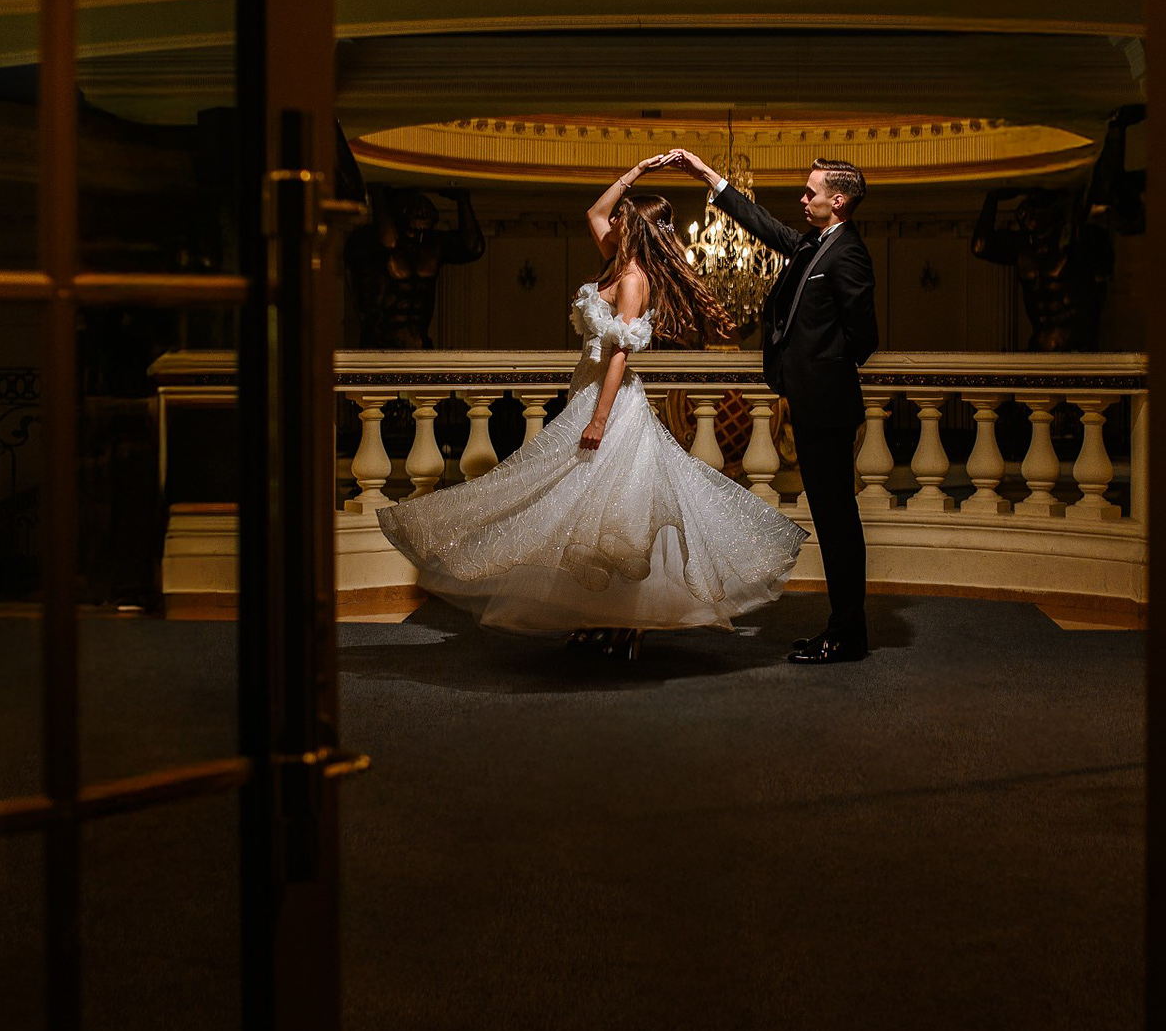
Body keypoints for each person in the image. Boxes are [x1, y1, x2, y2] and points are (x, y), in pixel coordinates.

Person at [376, 154, 807, 660]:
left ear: (635, 227)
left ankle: (623, 622)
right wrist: (635, 172)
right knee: (585, 514)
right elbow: (593, 213)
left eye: (623, 216)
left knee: (611, 517)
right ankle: (600, 616)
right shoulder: (614, 260)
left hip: (612, 403)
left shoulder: (633, 279)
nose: (614, 219)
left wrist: (600, 419)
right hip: (585, 392)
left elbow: (620, 355)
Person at [666, 148, 879, 664]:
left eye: (811, 192)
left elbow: (864, 337)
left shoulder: (848, 252)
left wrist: (819, 367)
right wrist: (710, 178)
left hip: (827, 404)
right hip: (810, 401)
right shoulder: (813, 244)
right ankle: (842, 628)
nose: (802, 199)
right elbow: (765, 225)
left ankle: (846, 635)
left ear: (838, 200)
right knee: (829, 518)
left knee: (837, 521)